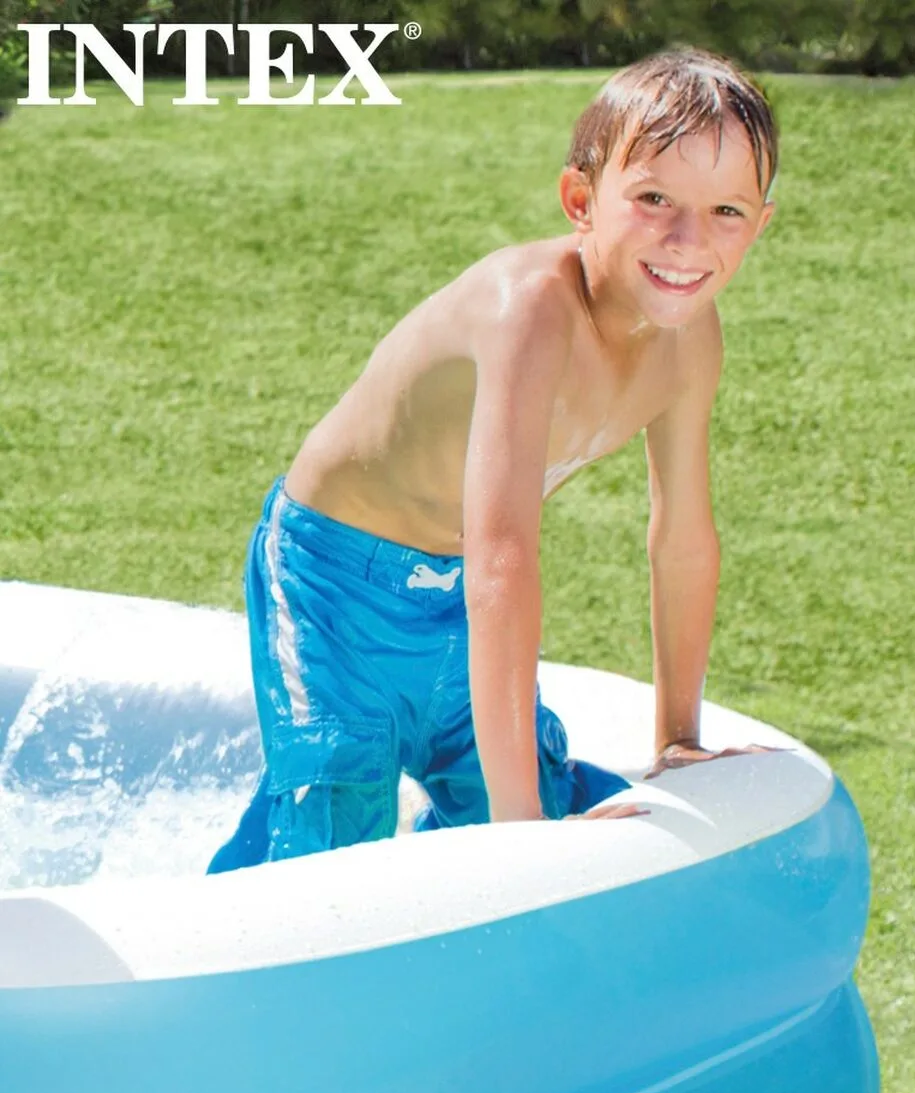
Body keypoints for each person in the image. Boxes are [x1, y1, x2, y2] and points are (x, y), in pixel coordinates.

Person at [207, 46, 778, 874]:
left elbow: (681, 539)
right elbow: (503, 559)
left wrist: (678, 739)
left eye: (726, 210)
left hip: (454, 593)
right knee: (330, 821)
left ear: (761, 223)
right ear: (581, 200)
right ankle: (206, 937)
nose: (688, 240)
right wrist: (523, 835)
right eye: (654, 199)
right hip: (335, 580)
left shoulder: (690, 341)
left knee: (523, 788)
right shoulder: (531, 311)